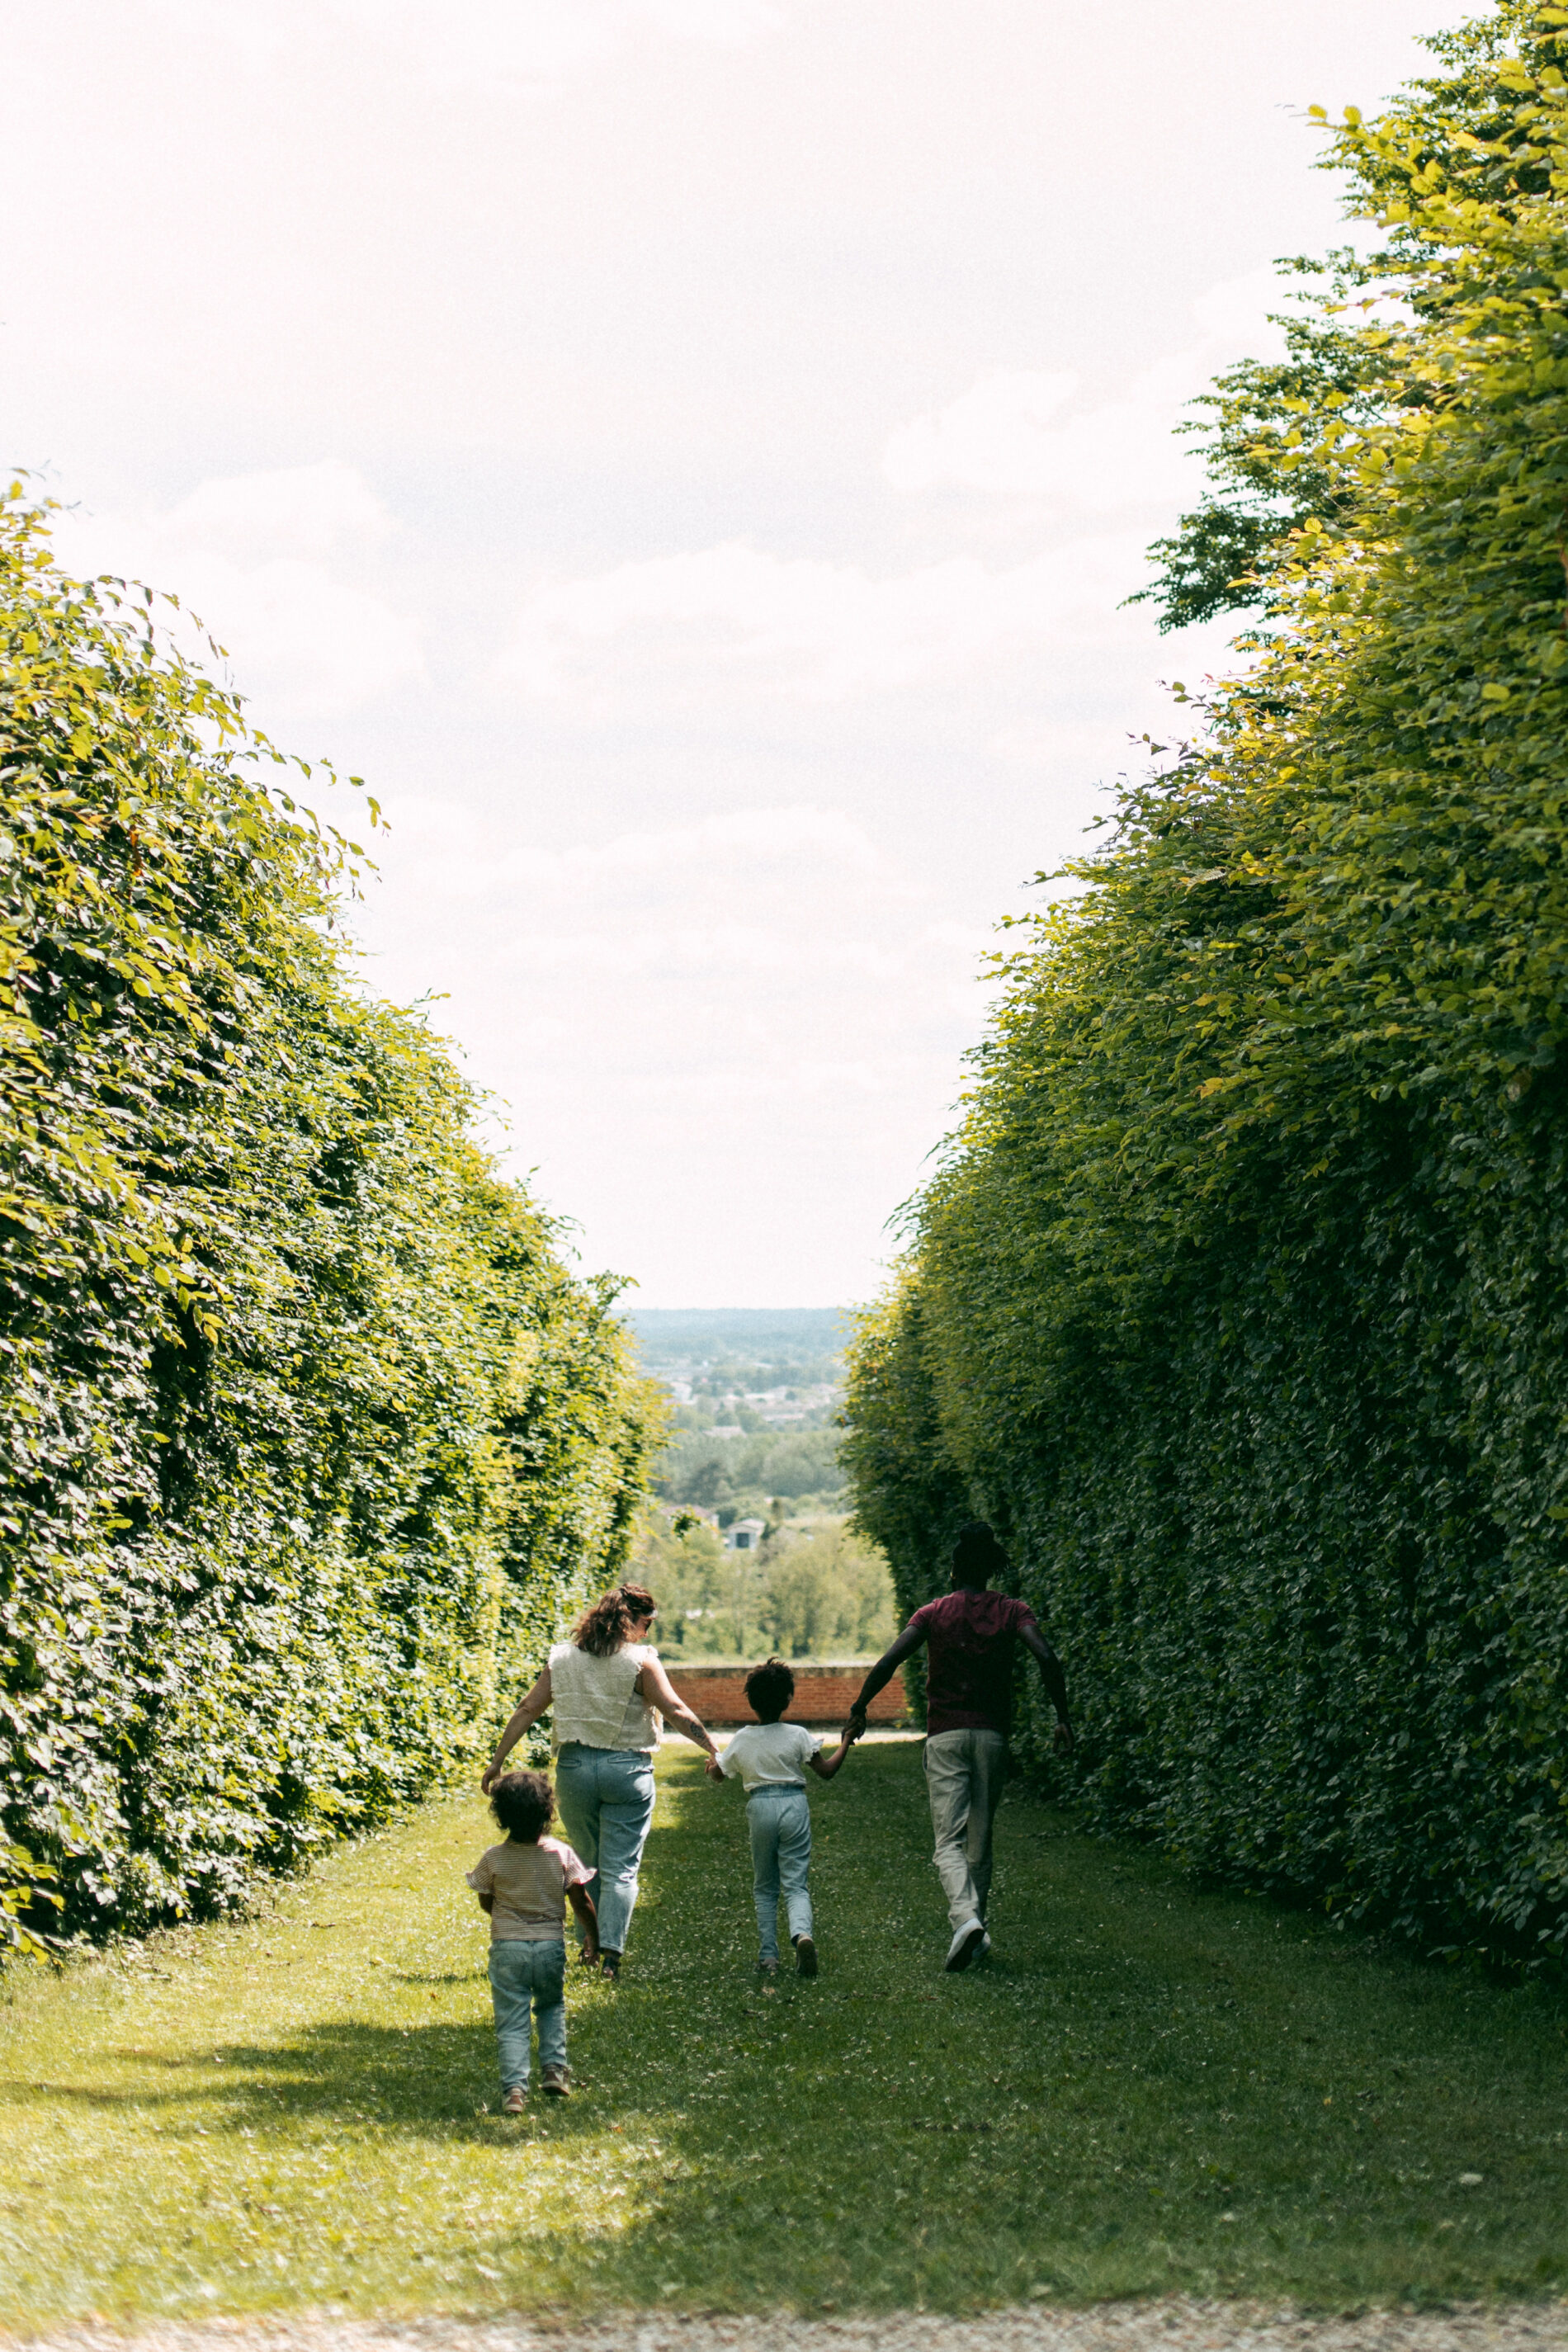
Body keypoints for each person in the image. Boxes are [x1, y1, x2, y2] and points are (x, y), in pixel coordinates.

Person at [847, 1521, 1074, 1973]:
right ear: (990, 1571)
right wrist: (1063, 1718)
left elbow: (891, 1660)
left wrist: (859, 1707)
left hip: (946, 1735)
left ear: (953, 1571)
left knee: (947, 1841)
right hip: (992, 1735)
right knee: (980, 1841)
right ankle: (976, 1931)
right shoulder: (1013, 1610)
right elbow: (1047, 1658)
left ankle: (966, 1920)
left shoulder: (933, 1612)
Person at [481, 1582, 718, 1982]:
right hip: (627, 1771)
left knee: (587, 1865)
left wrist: (497, 1760)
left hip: (574, 1771)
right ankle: (610, 1954)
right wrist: (714, 1750)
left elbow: (529, 1708)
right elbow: (674, 1708)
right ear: (632, 1621)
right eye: (647, 1624)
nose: (647, 1633)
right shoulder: (640, 1662)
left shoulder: (563, 1659)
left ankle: (587, 1946)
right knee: (622, 1868)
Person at [706, 1656, 856, 1976]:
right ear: (788, 1699)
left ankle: (769, 1957)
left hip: (760, 1806)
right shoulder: (798, 1734)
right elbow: (826, 1771)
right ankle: (802, 1934)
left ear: (751, 1701)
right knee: (796, 1883)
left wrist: (711, 1766)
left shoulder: (743, 1738)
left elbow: (719, 1774)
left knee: (765, 1885)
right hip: (794, 1804)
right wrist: (845, 1742)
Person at [467, 1768, 598, 2113]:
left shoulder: (494, 1858)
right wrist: (592, 1940)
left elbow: (485, 1899)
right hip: (550, 1947)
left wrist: (508, 1914)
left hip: (508, 1947)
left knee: (512, 2018)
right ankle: (554, 2069)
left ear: (501, 1815)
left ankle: (514, 2091)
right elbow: (581, 1900)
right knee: (551, 2006)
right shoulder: (560, 1854)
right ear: (548, 1812)